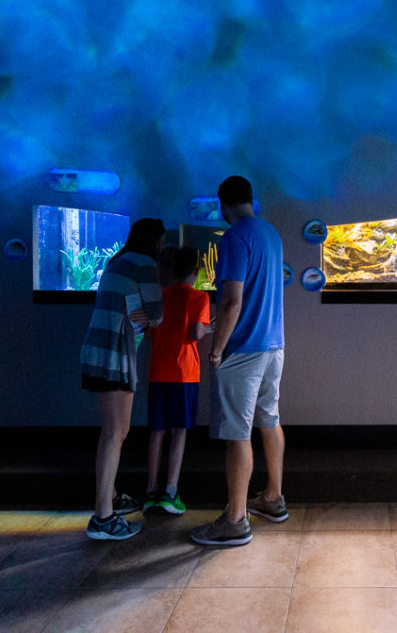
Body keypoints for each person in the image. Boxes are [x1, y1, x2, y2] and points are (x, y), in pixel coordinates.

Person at [190, 176, 286, 547]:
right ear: (251, 200)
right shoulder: (271, 233)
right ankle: (274, 499)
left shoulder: (233, 238)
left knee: (237, 433)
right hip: (273, 345)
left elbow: (231, 301)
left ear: (223, 206)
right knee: (269, 420)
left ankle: (234, 520)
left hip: (243, 350)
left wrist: (216, 348)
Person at [80, 217, 166, 541]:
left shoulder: (118, 261)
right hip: (115, 353)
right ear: (154, 241)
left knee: (112, 431)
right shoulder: (144, 264)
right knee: (117, 432)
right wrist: (149, 315)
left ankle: (111, 497)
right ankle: (103, 517)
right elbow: (156, 313)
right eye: (161, 241)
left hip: (97, 349)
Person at [142, 246, 211, 515]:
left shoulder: (160, 295)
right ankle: (170, 491)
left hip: (158, 371)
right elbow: (195, 333)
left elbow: (149, 333)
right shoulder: (200, 297)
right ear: (196, 272)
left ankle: (150, 491)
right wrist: (207, 329)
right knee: (179, 431)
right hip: (184, 373)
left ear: (171, 270)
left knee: (156, 432)